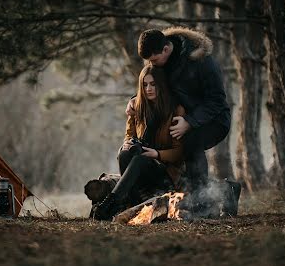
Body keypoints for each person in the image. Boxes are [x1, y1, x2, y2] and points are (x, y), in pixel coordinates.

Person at [132, 27, 232, 192]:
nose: (152, 65)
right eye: (149, 61)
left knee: (190, 142)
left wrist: (190, 122)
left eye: (154, 61)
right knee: (152, 141)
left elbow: (217, 100)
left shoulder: (202, 61)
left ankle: (200, 199)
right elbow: (152, 86)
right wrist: (134, 100)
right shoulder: (159, 60)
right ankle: (160, 193)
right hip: (181, 117)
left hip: (214, 120)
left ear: (166, 49)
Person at [91, 64, 185, 221]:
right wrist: (128, 143)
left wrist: (157, 154)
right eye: (145, 84)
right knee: (124, 153)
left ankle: (112, 204)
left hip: (165, 175)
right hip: (142, 171)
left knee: (141, 159)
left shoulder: (175, 109)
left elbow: (179, 152)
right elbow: (129, 136)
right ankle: (134, 204)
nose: (149, 88)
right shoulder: (136, 107)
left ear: (161, 85)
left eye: (153, 84)